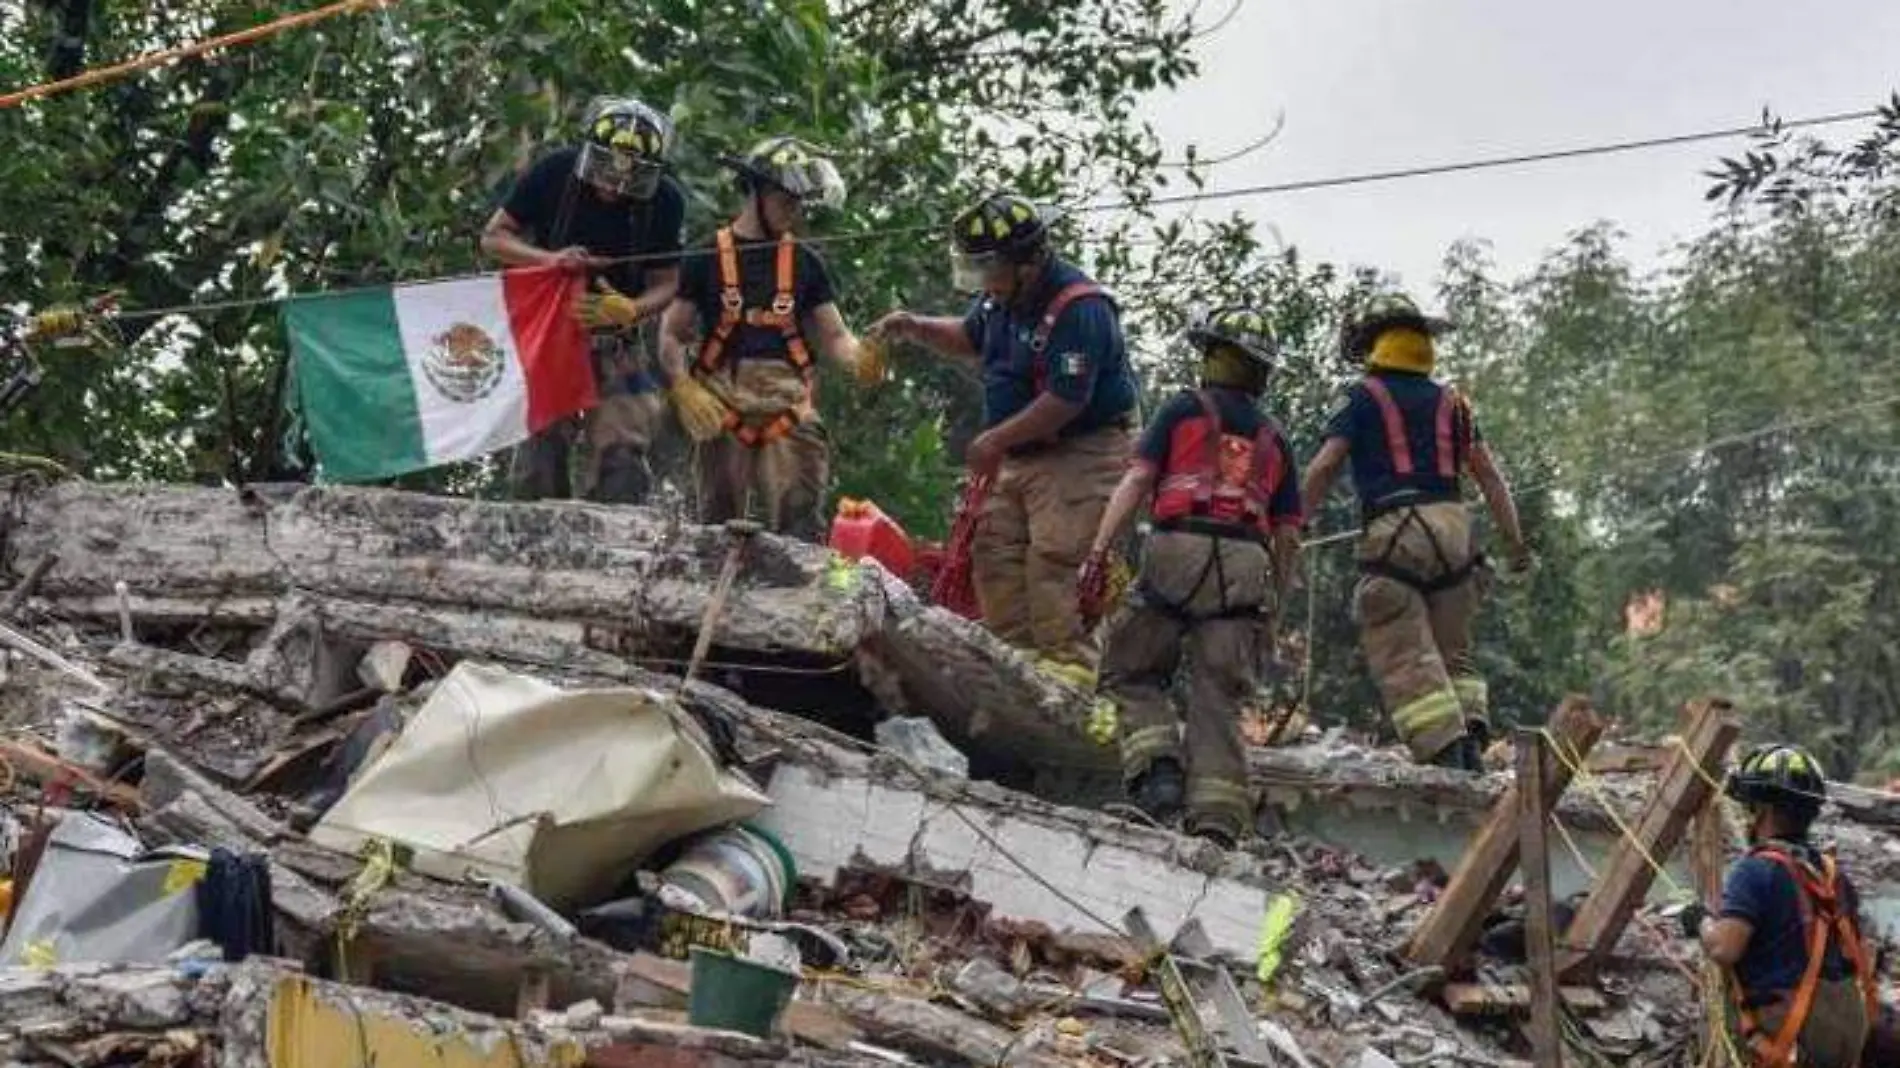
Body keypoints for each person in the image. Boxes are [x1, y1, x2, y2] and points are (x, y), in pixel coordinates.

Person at [872, 192, 1138, 685]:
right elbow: (970, 337)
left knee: (1058, 558)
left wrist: (994, 439)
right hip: (1017, 452)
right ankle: (1013, 666)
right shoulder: (1000, 299)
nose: (982, 282)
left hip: (1081, 451)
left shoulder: (1081, 309)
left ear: (1030, 261)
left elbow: (1066, 399)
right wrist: (915, 327)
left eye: (988, 267)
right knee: (995, 553)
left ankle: (1069, 674)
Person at [1076, 308, 1301, 846]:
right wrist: (1276, 606)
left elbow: (1137, 480)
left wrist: (1099, 550)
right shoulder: (1277, 437)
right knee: (1218, 696)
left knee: (1131, 669)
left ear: (1213, 358)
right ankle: (1217, 822)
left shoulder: (1182, 409)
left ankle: (1157, 775)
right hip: (1246, 565)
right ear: (1261, 372)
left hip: (1178, 547)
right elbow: (1288, 534)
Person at [1299, 294, 1529, 770]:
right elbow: (1489, 476)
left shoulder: (1361, 397)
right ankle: (1470, 728)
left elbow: (1323, 466)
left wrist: (1292, 525)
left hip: (1397, 530)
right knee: (1452, 649)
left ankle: (1447, 749)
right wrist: (1515, 543)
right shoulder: (1454, 402)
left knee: (1397, 638)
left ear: (1375, 344)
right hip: (1455, 532)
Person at [655, 136, 877, 540]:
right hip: (721, 400)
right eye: (786, 200)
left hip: (787, 403)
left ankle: (798, 597)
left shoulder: (806, 262)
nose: (793, 210)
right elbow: (670, 332)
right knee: (715, 528)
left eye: (799, 202)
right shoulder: (706, 254)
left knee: (800, 521)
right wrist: (683, 386)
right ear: (757, 191)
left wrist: (862, 358)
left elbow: (836, 336)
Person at [482, 96, 684, 504]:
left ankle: (611, 548)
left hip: (616, 339)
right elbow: (493, 238)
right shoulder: (555, 172)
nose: (615, 184)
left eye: (630, 177)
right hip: (550, 333)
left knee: (624, 456)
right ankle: (532, 547)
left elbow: (668, 282)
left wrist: (635, 308)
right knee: (540, 450)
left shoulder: (664, 201)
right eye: (606, 170)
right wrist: (550, 260)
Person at [1676, 744, 1875, 1068]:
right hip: (1843, 1036)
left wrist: (1700, 922)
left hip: (1790, 1039)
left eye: (1748, 807)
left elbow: (1725, 948)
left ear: (1762, 810)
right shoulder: (1834, 877)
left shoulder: (1755, 870)